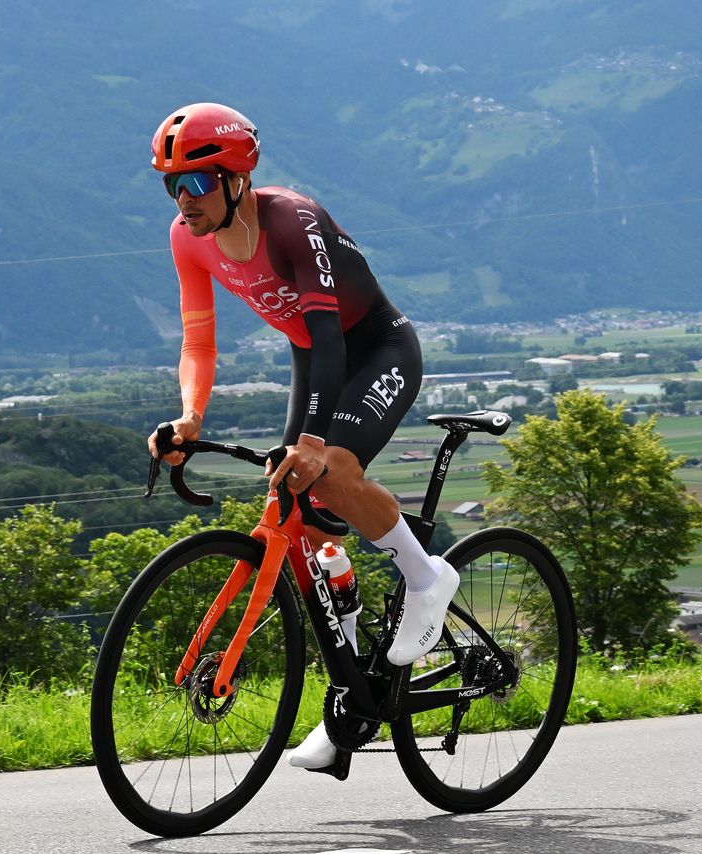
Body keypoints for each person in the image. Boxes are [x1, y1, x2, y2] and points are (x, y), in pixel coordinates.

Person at [146, 102, 458, 770]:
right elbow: (198, 339)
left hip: (372, 348)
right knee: (304, 525)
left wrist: (314, 441)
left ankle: (425, 577)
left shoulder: (294, 221)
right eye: (172, 185)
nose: (183, 200)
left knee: (332, 473)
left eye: (197, 183)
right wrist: (190, 418)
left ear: (236, 179)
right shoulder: (185, 237)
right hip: (312, 359)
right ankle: (353, 699)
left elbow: (327, 336)